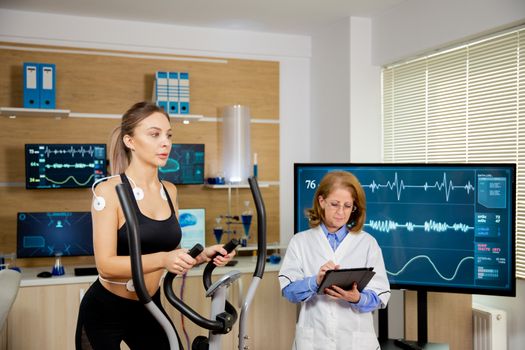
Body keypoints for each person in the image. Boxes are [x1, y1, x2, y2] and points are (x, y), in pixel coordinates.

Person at [75, 101, 235, 349]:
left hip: (149, 305)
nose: (165, 142)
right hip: (105, 310)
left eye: (168, 135)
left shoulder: (169, 191)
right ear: (130, 141)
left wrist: (202, 255)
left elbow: (173, 252)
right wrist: (163, 259)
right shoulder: (108, 191)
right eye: (154, 134)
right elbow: (105, 266)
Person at [278, 171, 390, 350]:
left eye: (347, 206)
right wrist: (315, 281)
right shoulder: (300, 241)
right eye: (335, 204)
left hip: (356, 342)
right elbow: (288, 291)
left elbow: (381, 295)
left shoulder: (368, 243)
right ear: (322, 202)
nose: (341, 212)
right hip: (314, 340)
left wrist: (357, 298)